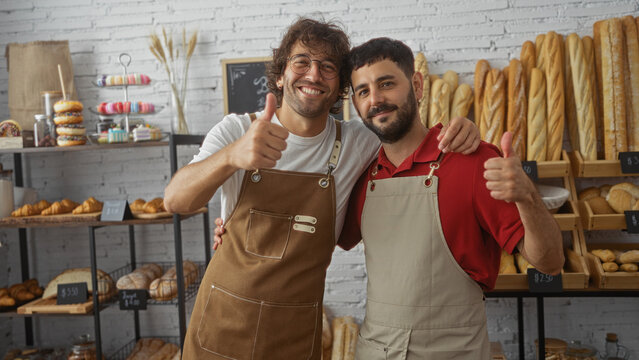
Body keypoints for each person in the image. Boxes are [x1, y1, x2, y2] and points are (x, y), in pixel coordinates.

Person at [165, 18, 480, 359]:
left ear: (340, 86)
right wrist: (231, 157)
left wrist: (462, 130)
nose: (314, 75)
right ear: (280, 74)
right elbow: (176, 200)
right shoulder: (237, 129)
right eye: (302, 62)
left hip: (295, 336)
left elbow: (409, 138)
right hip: (220, 328)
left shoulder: (359, 143)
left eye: (328, 67)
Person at [335, 37, 564, 359]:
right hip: (375, 350)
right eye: (363, 91)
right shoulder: (361, 172)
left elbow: (550, 262)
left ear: (417, 85)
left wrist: (528, 196)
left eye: (386, 83)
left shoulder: (473, 161)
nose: (375, 99)